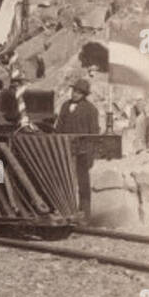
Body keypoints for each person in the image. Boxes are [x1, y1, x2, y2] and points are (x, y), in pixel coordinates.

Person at [56, 77, 101, 213]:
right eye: (74, 91)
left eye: (79, 92)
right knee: (64, 180)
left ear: (84, 95)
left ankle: (85, 212)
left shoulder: (91, 110)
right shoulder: (65, 106)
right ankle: (66, 210)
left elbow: (94, 133)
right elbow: (59, 127)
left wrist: (90, 155)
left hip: (83, 152)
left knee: (83, 183)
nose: (75, 94)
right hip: (66, 150)